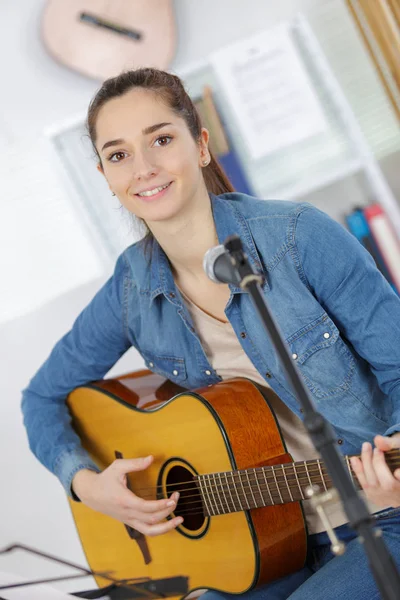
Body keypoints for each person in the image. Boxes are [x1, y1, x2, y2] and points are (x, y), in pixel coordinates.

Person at [21, 67, 400, 599]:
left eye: (161, 139)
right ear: (106, 177)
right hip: (259, 541)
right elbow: (41, 398)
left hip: (382, 519)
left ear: (200, 146)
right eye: (119, 154)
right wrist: (88, 485)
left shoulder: (298, 236)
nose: (144, 167)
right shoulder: (131, 288)